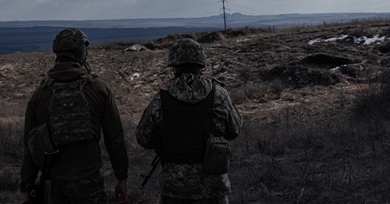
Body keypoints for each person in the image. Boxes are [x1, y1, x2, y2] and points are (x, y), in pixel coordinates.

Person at [21, 28, 129, 204]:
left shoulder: (40, 95)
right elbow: (115, 139)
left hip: (53, 185)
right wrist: (121, 178)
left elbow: (30, 146)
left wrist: (26, 186)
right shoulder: (99, 89)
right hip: (89, 183)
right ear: (82, 52)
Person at [136, 38, 242, 204]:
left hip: (174, 189)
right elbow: (234, 131)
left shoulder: (160, 100)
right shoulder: (220, 96)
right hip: (213, 188)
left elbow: (143, 138)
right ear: (201, 64)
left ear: (174, 66)